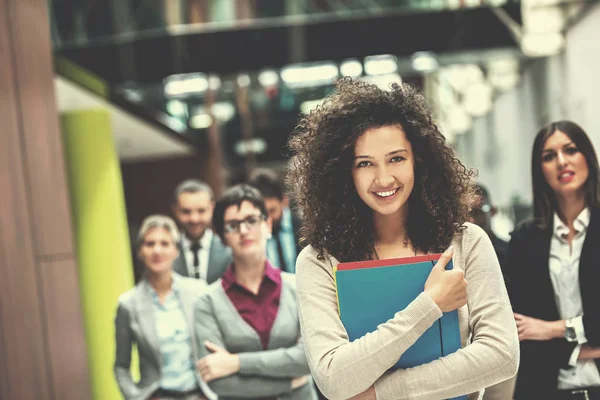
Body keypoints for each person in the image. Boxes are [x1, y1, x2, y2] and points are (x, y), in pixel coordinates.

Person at [286, 78, 519, 400]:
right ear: (344, 173)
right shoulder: (319, 262)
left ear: (419, 161)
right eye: (365, 163)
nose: (383, 179)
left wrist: (379, 393)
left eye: (396, 158)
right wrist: (429, 306)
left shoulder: (467, 243)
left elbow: (502, 356)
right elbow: (333, 379)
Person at [193, 184, 317, 400]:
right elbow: (219, 382)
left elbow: (310, 358)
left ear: (268, 224)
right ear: (222, 237)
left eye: (251, 220)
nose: (243, 231)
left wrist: (236, 362)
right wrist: (289, 382)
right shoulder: (206, 302)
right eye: (232, 225)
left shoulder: (299, 286)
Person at [505, 121, 600, 399]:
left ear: (587, 158)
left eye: (570, 150)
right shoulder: (524, 241)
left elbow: (539, 330)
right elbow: (522, 331)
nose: (561, 162)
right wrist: (586, 348)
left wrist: (554, 329)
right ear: (540, 169)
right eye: (549, 156)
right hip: (543, 389)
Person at [114, 215, 215, 400]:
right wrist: (135, 397)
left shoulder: (198, 291)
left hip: (199, 394)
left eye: (165, 243)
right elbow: (121, 365)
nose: (157, 250)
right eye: (150, 244)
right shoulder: (128, 304)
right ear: (140, 251)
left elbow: (216, 344)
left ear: (176, 250)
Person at [171, 179, 232, 284]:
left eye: (201, 211)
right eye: (186, 212)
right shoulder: (167, 252)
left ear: (212, 208)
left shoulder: (228, 249)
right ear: (176, 211)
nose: (194, 219)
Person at [248, 168, 302, 273]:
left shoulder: (302, 227)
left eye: (272, 210)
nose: (269, 218)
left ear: (284, 201)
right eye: (263, 213)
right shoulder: (252, 234)